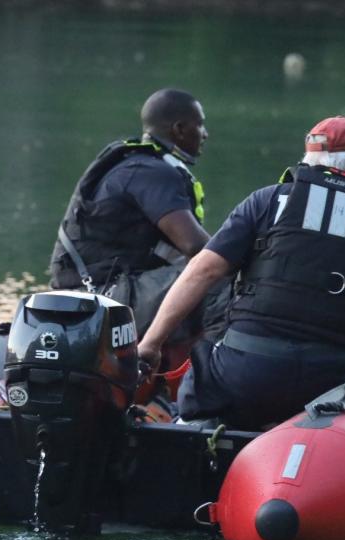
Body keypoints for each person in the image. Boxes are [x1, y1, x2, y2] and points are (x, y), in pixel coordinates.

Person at [137, 116, 345, 429]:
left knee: (196, 395)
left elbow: (202, 271)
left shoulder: (266, 201)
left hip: (243, 375)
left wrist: (150, 344)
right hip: (331, 383)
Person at [48, 88, 218, 352]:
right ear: (180, 128)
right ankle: (215, 373)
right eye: (201, 125)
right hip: (102, 298)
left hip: (92, 292)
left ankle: (171, 364)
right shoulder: (153, 172)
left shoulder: (135, 164)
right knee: (222, 280)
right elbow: (197, 248)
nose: (205, 134)